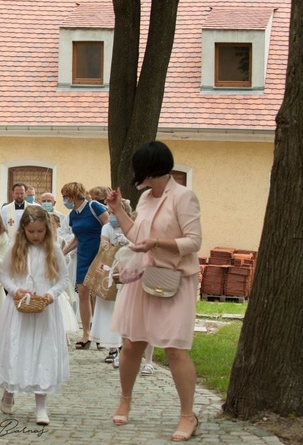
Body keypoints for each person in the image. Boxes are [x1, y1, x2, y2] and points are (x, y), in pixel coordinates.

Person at [107, 141, 201, 442]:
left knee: (175, 350)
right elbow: (137, 234)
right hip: (145, 277)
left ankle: (188, 416)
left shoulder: (184, 197)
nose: (136, 175)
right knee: (131, 344)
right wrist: (118, 211)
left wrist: (159, 244)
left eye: (140, 169)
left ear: (151, 169)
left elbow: (194, 241)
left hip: (174, 279)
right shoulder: (146, 197)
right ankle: (125, 399)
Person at [0, 206, 70, 426]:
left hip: (44, 309)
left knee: (43, 352)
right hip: (18, 308)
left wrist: (51, 294)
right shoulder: (15, 249)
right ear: (23, 230)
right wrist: (16, 291)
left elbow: (63, 278)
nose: (36, 236)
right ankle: (9, 391)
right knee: (16, 348)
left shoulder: (53, 250)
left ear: (47, 230)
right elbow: (4, 275)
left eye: (40, 232)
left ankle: (41, 406)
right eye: (31, 232)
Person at [61, 182, 109, 349]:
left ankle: (101, 333)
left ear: (74, 196)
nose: (64, 200)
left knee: (98, 295)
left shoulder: (94, 206)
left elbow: (109, 226)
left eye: (66, 196)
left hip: (99, 255)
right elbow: (76, 238)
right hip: (83, 256)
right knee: (83, 293)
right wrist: (62, 252)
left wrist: (107, 249)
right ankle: (86, 333)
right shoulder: (73, 214)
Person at [89, 199, 134, 364]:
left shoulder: (132, 227)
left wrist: (127, 242)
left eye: (115, 213)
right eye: (110, 212)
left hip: (129, 271)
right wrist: (115, 245)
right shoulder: (107, 227)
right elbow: (104, 245)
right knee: (109, 309)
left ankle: (125, 345)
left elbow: (137, 244)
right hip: (110, 270)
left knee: (125, 309)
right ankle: (112, 347)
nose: (112, 216)